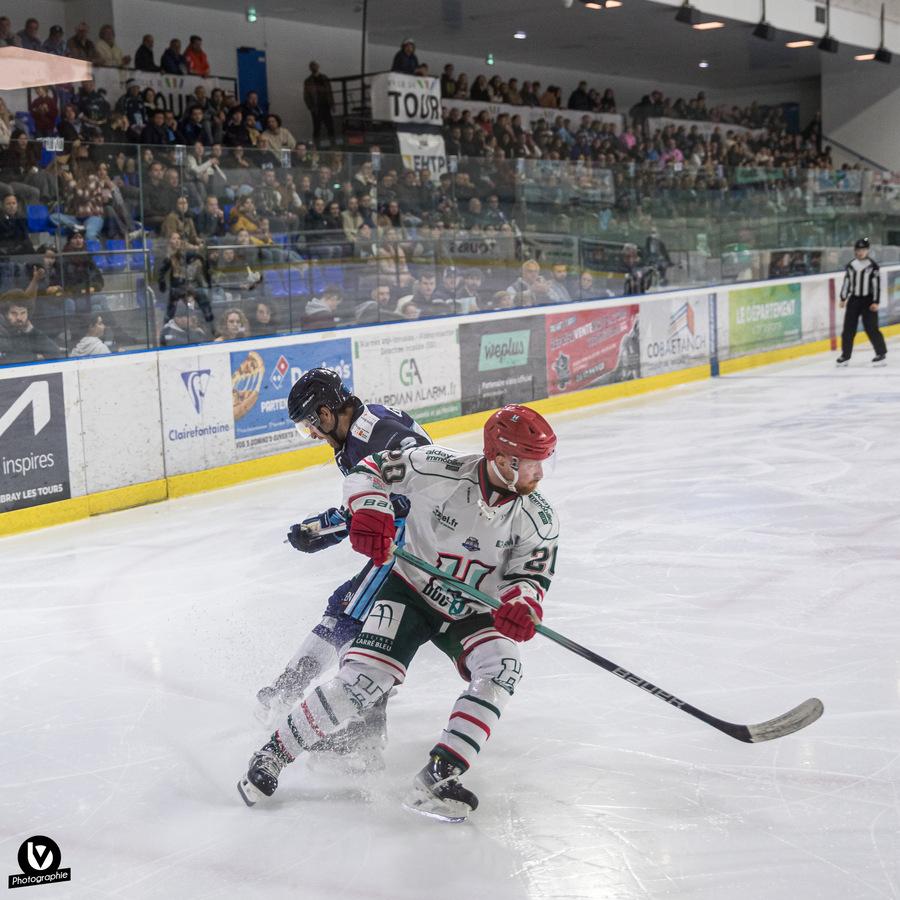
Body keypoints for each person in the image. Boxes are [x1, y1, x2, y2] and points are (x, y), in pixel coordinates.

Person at [238, 404, 559, 822]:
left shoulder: (539, 517)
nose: (540, 474)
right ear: (501, 459)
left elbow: (529, 575)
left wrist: (521, 602)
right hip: (410, 593)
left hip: (473, 612)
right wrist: (372, 509)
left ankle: (439, 777)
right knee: (363, 683)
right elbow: (367, 470)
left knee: (504, 666)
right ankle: (273, 754)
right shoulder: (439, 467)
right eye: (532, 464)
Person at [253, 370, 432, 757]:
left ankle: (361, 726)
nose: (312, 434)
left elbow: (393, 507)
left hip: (417, 546)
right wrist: (324, 530)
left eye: (309, 425)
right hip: (410, 541)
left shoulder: (379, 437)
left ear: (327, 412)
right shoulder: (357, 435)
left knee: (351, 613)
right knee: (350, 609)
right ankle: (300, 691)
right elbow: (370, 506)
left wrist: (323, 528)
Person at [837, 237, 887, 366]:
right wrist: (843, 298)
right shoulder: (851, 265)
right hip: (854, 300)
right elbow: (847, 283)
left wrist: (876, 301)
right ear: (855, 251)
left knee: (871, 327)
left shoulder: (872, 266)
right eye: (858, 250)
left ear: (867, 251)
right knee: (848, 329)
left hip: (868, 300)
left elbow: (876, 286)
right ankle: (845, 355)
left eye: (863, 250)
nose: (860, 252)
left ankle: (881, 352)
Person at [303, 61, 335, 147]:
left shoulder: (324, 78)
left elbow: (329, 92)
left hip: (326, 105)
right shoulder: (308, 81)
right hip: (316, 107)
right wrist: (311, 107)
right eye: (312, 66)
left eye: (315, 66)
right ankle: (317, 147)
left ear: (318, 66)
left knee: (330, 126)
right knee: (317, 128)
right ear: (310, 68)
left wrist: (332, 105)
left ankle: (333, 145)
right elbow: (306, 95)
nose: (314, 67)